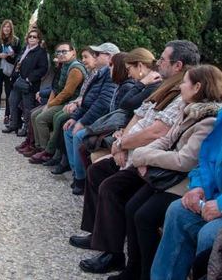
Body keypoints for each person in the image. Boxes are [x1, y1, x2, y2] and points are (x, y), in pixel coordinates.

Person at [70, 40, 200, 275]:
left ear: (178, 65)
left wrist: (126, 145)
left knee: (112, 187)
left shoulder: (181, 92)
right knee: (97, 171)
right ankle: (98, 236)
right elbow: (139, 115)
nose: (158, 62)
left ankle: (113, 253)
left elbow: (158, 132)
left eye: (162, 59)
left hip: (148, 158)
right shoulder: (165, 85)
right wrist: (121, 144)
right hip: (132, 149)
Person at [116, 65, 222, 280]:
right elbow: (204, 161)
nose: (180, 86)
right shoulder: (191, 110)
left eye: (185, 82)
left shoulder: (208, 120)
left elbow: (185, 161)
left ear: (198, 87)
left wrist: (142, 156)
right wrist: (142, 154)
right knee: (139, 207)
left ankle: (141, 272)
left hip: (179, 179)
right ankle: (141, 270)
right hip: (184, 181)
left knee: (148, 217)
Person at [152, 107, 222, 280]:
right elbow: (205, 161)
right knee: (179, 212)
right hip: (214, 198)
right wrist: (199, 187)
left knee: (209, 235)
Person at [62, 42, 119, 194]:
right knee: (68, 128)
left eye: (99, 54)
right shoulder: (100, 73)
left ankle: (81, 179)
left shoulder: (111, 74)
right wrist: (75, 118)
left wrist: (83, 122)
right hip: (94, 115)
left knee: (79, 134)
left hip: (103, 119)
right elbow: (87, 100)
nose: (96, 56)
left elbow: (102, 104)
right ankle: (75, 172)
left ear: (110, 57)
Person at [28, 42, 86, 164]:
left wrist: (50, 105)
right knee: (33, 114)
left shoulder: (75, 69)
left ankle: (46, 151)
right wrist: (48, 104)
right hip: (61, 101)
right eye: (58, 52)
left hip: (69, 103)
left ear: (73, 52)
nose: (61, 54)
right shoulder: (64, 66)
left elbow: (67, 92)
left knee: (41, 118)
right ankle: (38, 147)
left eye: (64, 51)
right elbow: (56, 89)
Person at [3, 28, 49, 136]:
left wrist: (29, 78)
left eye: (34, 37)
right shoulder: (25, 49)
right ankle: (14, 124)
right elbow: (17, 62)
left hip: (29, 84)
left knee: (27, 107)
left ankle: (26, 129)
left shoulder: (40, 52)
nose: (32, 38)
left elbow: (43, 69)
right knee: (12, 102)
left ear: (38, 39)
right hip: (18, 81)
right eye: (30, 36)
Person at [0, 19, 20, 124]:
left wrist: (13, 55)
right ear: (2, 28)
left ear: (11, 29)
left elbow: (19, 56)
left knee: (8, 93)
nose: (6, 28)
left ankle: (7, 115)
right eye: (5, 26)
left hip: (9, 70)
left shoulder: (16, 40)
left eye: (8, 27)